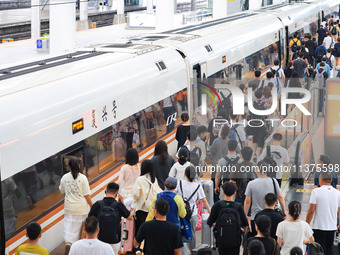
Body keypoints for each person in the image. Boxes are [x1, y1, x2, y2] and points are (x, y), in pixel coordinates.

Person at [59, 157, 92, 254]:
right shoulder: (83, 178)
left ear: (68, 167)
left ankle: (69, 244)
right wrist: (92, 205)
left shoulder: (64, 178)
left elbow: (62, 191)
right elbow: (86, 195)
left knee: (69, 229)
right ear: (78, 166)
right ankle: (78, 250)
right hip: (81, 209)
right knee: (80, 231)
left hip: (69, 208)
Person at [244, 161, 286, 237]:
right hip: (272, 217)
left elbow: (247, 202)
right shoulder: (273, 181)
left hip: (256, 217)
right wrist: (283, 211)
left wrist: (245, 216)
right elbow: (280, 197)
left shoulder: (251, 184)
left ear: (258, 170)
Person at [88, 182, 133, 254]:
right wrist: (122, 203)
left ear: (105, 191)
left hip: (100, 239)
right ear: (116, 194)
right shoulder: (119, 205)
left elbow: (89, 220)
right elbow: (130, 218)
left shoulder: (97, 204)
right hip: (115, 240)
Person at [207, 182, 248, 255]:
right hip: (235, 241)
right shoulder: (238, 207)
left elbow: (209, 223)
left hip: (221, 240)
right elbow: (245, 224)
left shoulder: (217, 205)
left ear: (223, 192)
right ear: (235, 193)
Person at [177, 166, 211, 253]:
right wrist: (209, 210)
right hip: (193, 213)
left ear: (185, 174)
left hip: (181, 212)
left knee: (181, 232)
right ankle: (193, 251)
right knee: (192, 234)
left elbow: (174, 194)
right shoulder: (197, 186)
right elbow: (204, 200)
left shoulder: (179, 183)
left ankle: (183, 253)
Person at [306, 172, 340, 255]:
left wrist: (307, 224)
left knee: (319, 250)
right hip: (332, 227)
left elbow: (311, 211)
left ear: (320, 180)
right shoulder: (337, 193)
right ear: (331, 180)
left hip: (319, 227)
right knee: (329, 249)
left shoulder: (316, 191)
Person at [133, 159, 162, 236]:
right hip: (152, 209)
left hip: (141, 210)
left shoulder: (140, 179)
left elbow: (136, 194)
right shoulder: (154, 179)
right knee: (150, 232)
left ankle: (139, 246)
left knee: (141, 232)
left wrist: (137, 199)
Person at [210, 124, 230, 202]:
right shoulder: (230, 142)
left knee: (214, 183)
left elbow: (212, 152)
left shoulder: (216, 141)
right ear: (228, 133)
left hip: (216, 165)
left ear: (221, 132)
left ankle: (215, 201)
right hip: (226, 167)